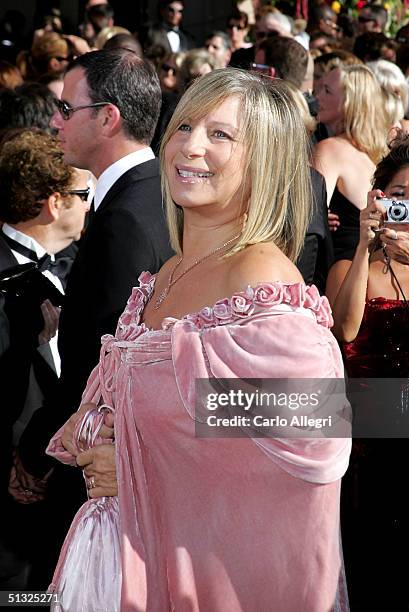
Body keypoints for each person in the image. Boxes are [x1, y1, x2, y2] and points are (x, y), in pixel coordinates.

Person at [46, 68, 351, 611]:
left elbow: (310, 437)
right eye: (184, 125)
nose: (190, 146)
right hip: (125, 565)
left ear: (264, 158)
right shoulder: (167, 274)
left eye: (221, 134)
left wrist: (139, 466)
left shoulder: (260, 279)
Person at [11, 49, 173, 587]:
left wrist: (35, 456)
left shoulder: (125, 218)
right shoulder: (149, 195)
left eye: (65, 107)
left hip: (107, 474)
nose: (54, 121)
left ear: (108, 118)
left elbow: (95, 366)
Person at [326, 128, 409, 610]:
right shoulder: (350, 265)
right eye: (398, 194)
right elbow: (347, 329)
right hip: (363, 453)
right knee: (364, 574)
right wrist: (361, 245)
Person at [0, 129, 90, 589]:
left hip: (49, 477)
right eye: (82, 195)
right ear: (55, 203)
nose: (89, 205)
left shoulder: (72, 262)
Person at [313, 62, 389, 261]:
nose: (317, 96)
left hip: (337, 271)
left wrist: (316, 215)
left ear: (349, 102)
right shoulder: (376, 155)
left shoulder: (330, 149)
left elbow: (309, 217)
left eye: (327, 91)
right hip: (369, 267)